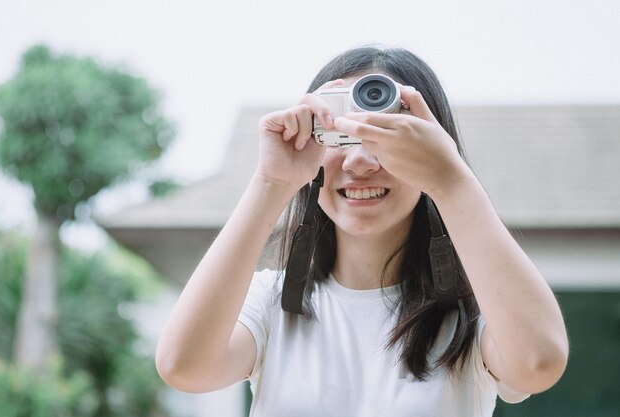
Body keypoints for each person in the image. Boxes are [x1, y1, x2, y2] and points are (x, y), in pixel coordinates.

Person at [155, 46, 569, 416]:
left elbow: (538, 363)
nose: (360, 161)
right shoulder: (271, 304)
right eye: (339, 133)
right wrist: (271, 183)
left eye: (385, 133)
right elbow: (183, 366)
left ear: (433, 145)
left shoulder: (479, 314)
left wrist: (451, 181)